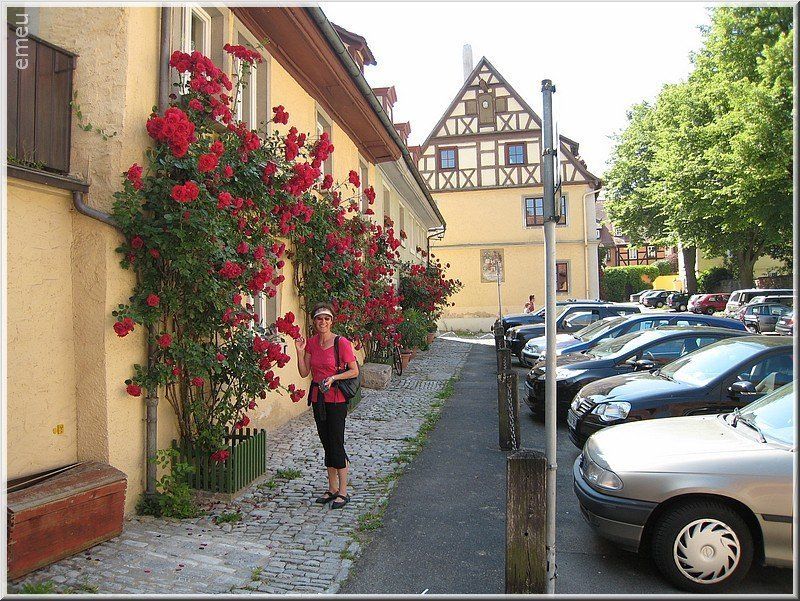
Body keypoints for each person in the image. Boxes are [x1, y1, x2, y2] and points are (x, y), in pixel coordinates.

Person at [295, 302, 359, 509]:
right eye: (319, 318)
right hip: (318, 398)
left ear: (331, 321)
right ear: (314, 321)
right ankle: (332, 488)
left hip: (336, 399)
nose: (323, 322)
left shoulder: (341, 343)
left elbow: (354, 371)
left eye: (327, 318)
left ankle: (343, 491)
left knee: (336, 442)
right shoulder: (312, 343)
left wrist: (333, 378)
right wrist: (299, 352)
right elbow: (304, 372)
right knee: (326, 442)